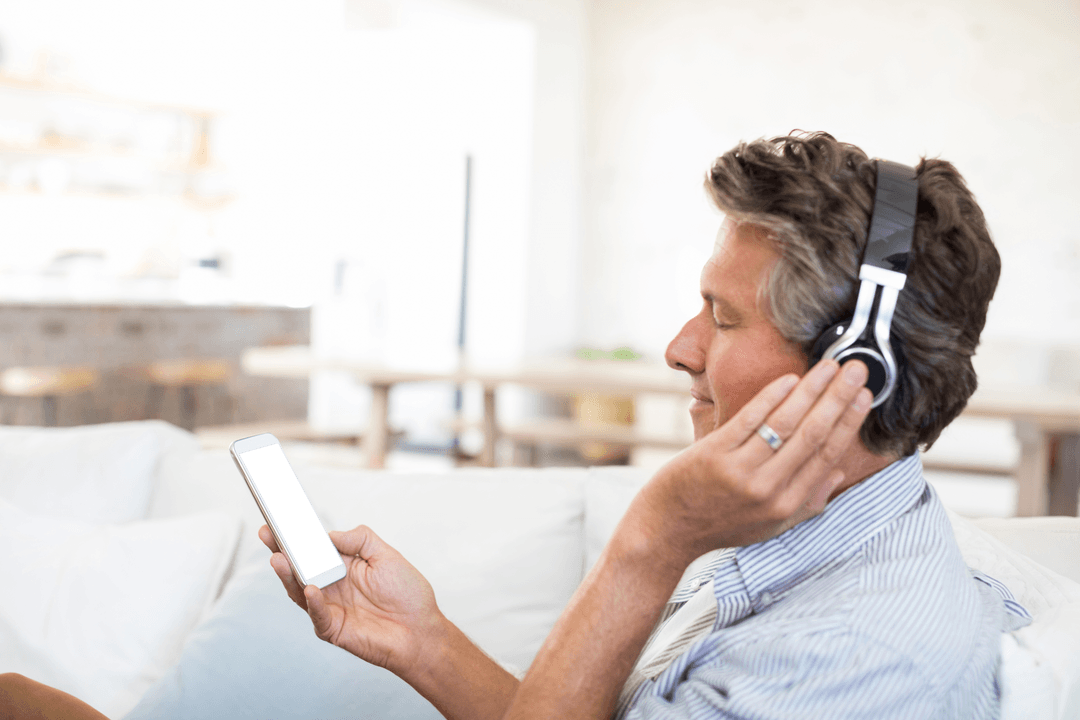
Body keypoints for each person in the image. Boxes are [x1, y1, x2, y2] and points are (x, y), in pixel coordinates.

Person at [0, 131, 1025, 719]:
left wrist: (649, 541)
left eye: (721, 318)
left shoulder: (851, 657)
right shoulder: (806, 541)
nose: (678, 350)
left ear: (856, 371)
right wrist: (423, 643)